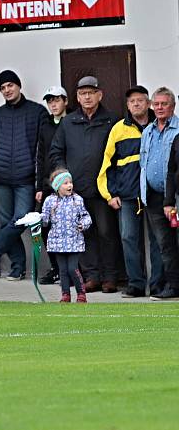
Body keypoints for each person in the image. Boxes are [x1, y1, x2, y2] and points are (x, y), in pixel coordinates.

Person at [50, 76, 119, 292]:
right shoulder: (68, 122)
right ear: (77, 98)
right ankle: (91, 275)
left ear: (100, 95)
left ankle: (110, 277)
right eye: (82, 93)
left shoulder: (112, 120)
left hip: (103, 189)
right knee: (83, 232)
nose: (87, 97)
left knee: (107, 233)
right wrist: (63, 179)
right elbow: (56, 152)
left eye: (91, 92)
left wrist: (114, 185)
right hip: (75, 191)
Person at [0, 70, 48, 280]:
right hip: (0, 178)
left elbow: (44, 145)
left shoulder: (37, 112)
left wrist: (39, 178)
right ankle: (17, 268)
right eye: (2, 87)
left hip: (26, 178)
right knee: (6, 222)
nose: (7, 90)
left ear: (19, 86)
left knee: (21, 220)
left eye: (10, 85)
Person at [98, 85, 161, 298]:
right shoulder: (118, 129)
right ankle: (135, 284)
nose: (136, 104)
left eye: (140, 100)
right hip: (126, 195)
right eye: (132, 101)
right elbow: (108, 164)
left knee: (158, 239)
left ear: (148, 103)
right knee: (128, 238)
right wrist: (110, 193)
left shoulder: (159, 125)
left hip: (154, 194)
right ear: (127, 105)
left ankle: (158, 285)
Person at [144, 87, 179, 300]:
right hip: (154, 196)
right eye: (156, 104)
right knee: (164, 245)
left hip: (174, 194)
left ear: (172, 106)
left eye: (163, 104)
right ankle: (173, 285)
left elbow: (174, 167)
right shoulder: (148, 131)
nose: (159, 108)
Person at [35, 86, 69, 285]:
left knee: (70, 225)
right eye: (50, 101)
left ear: (65, 101)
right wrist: (39, 186)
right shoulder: (45, 125)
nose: (53, 104)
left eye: (57, 100)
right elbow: (40, 157)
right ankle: (56, 268)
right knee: (47, 227)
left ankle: (72, 270)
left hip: (68, 182)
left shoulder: (72, 121)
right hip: (48, 184)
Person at [41, 169, 92, 303]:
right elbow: (45, 220)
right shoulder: (50, 201)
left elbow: (86, 217)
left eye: (70, 182)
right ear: (57, 186)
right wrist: (36, 220)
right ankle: (65, 294)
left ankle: (81, 294)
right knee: (62, 270)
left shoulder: (77, 200)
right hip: (57, 242)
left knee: (72, 268)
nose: (70, 185)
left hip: (74, 241)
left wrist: (83, 224)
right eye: (65, 183)